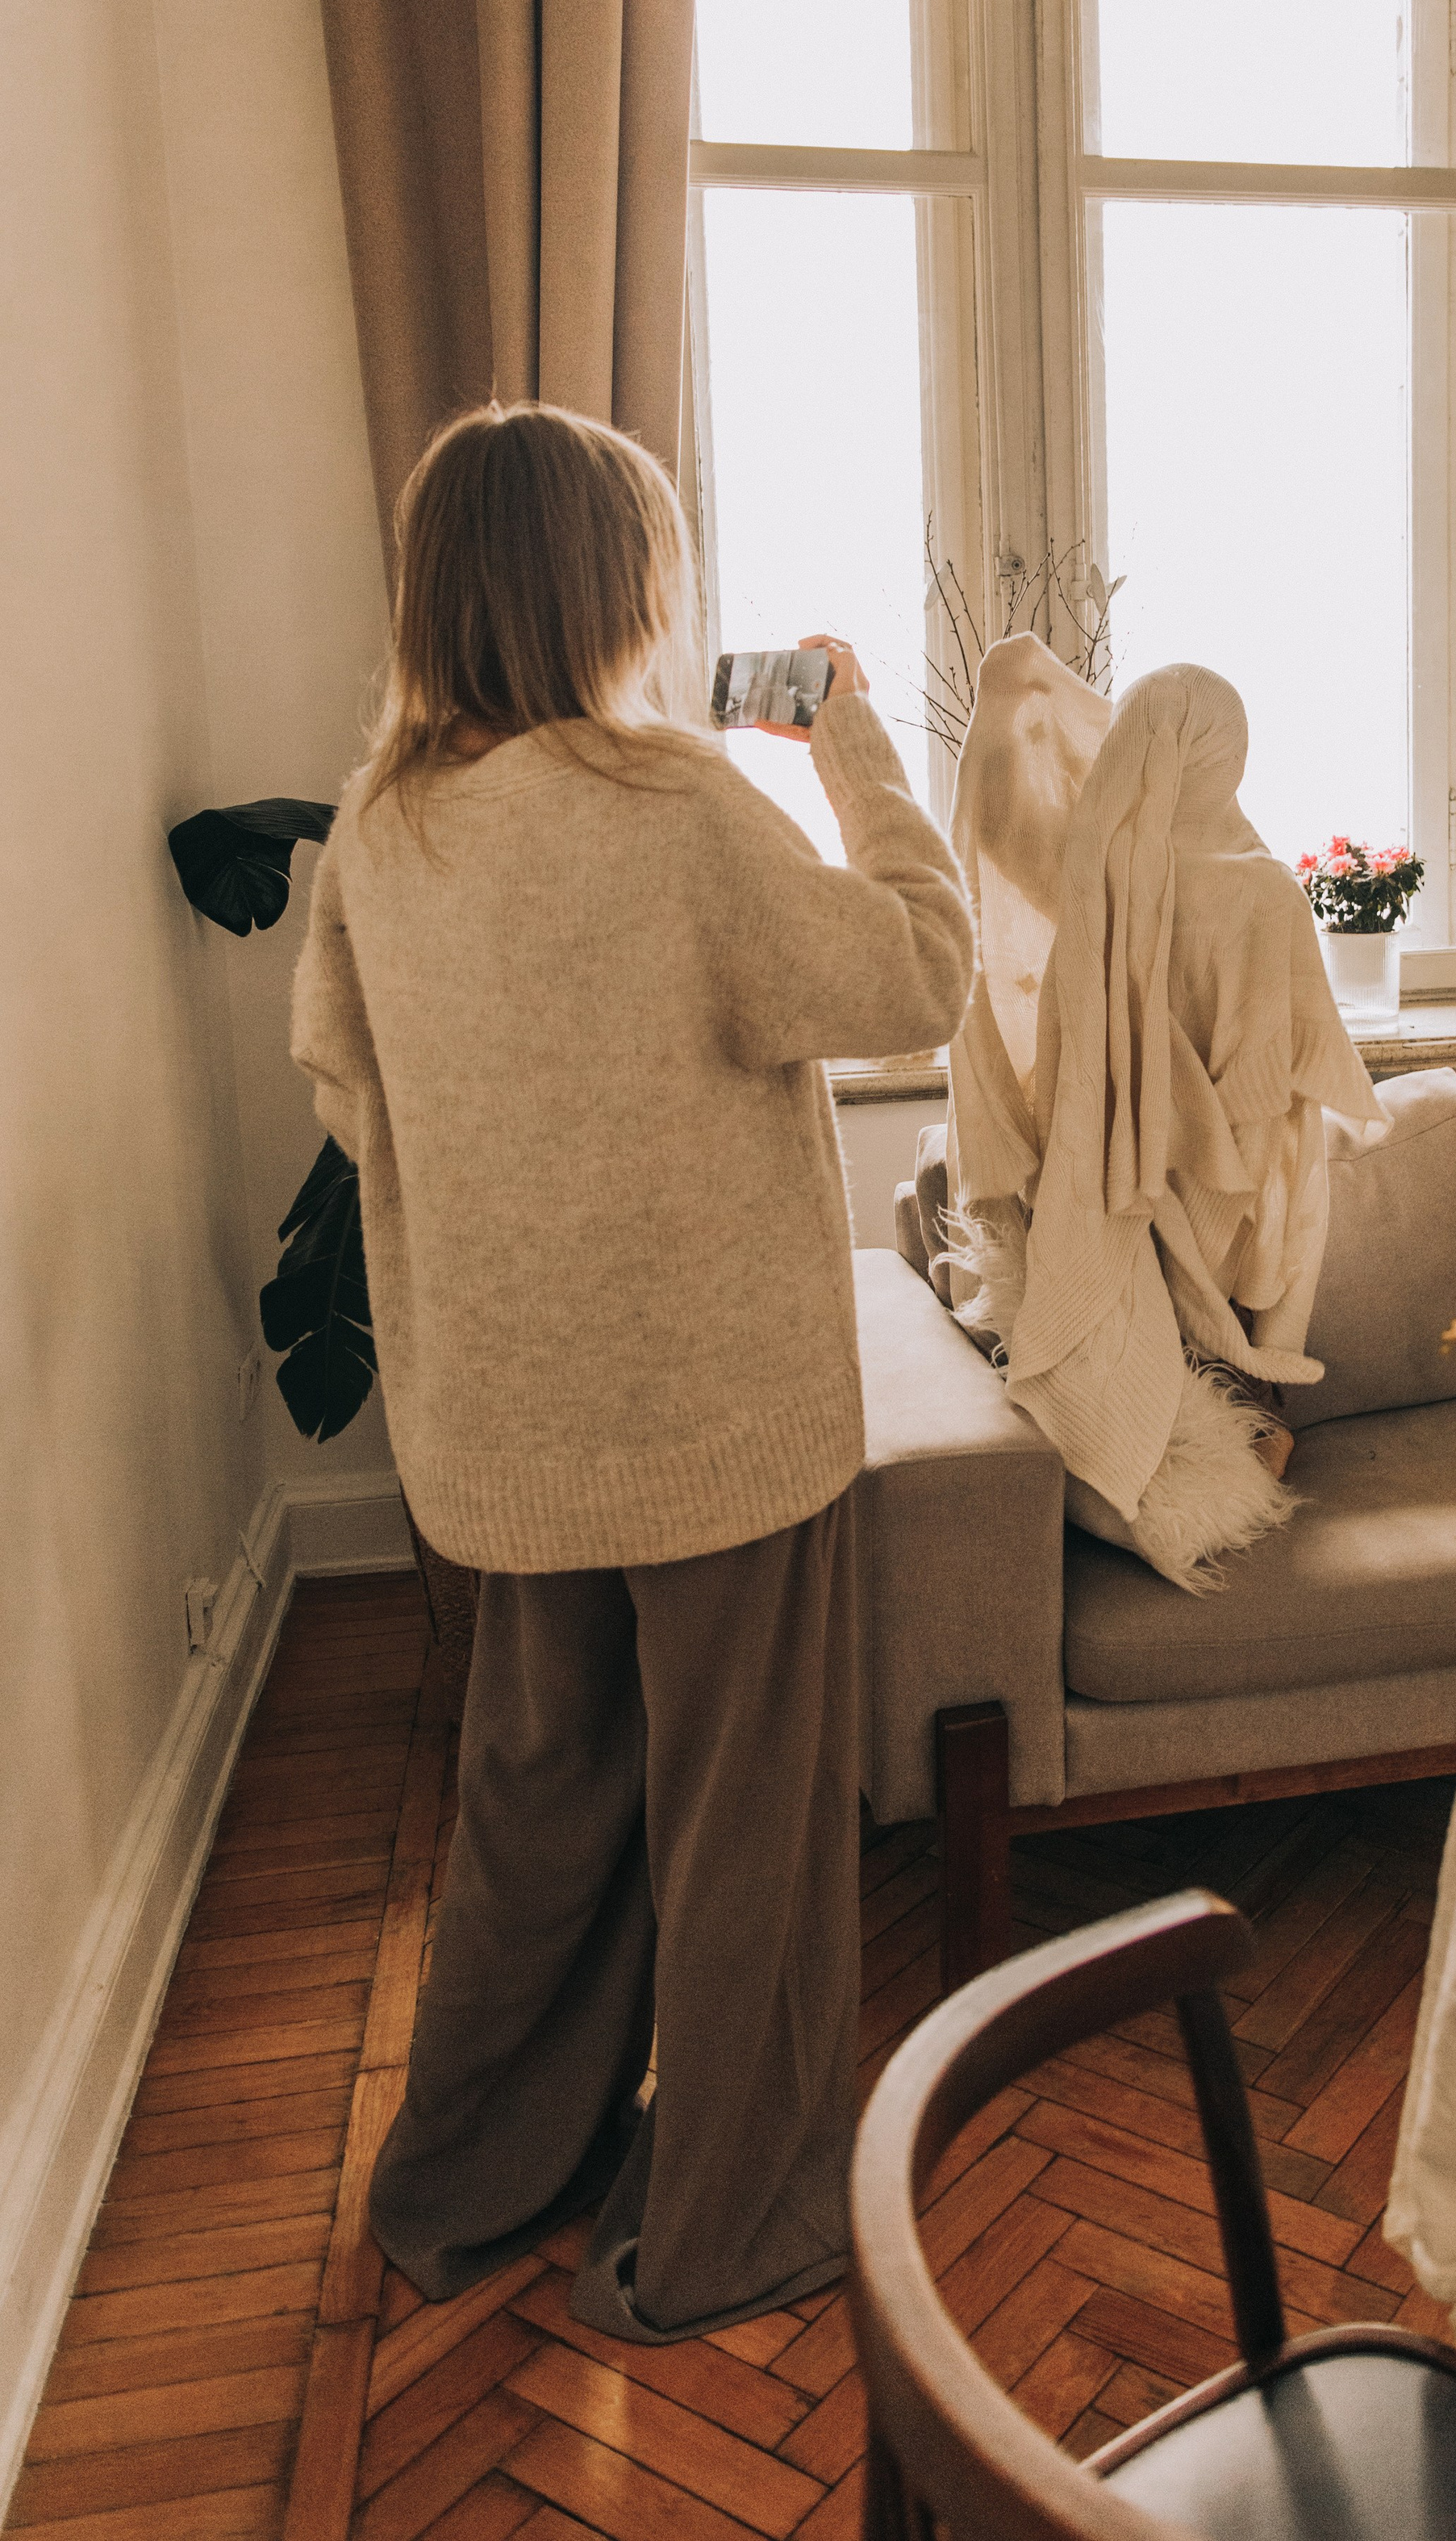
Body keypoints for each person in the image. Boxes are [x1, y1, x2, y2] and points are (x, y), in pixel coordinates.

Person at [290, 400, 973, 2339]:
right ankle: (726, 2222)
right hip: (723, 1422)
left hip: (508, 1430)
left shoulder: (382, 826)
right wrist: (845, 731)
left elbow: (349, 1091)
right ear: (617, 585)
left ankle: (471, 2173)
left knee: (538, 1791)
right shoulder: (672, 805)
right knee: (741, 1818)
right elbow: (916, 971)